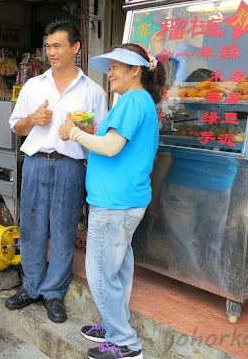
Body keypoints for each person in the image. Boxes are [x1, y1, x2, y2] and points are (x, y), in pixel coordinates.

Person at [59, 43, 166, 359]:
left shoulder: (133, 100)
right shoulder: (135, 101)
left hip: (115, 202)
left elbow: (110, 148)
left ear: (135, 70)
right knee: (118, 268)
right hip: (122, 199)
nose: (110, 73)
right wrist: (90, 130)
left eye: (117, 66)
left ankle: (127, 344)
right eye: (110, 67)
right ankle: (112, 323)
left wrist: (74, 134)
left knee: (101, 273)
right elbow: (109, 141)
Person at [6, 19, 108, 324]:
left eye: (58, 45)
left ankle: (53, 293)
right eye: (48, 46)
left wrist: (88, 129)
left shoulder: (93, 91)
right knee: (32, 227)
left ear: (75, 48)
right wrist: (33, 119)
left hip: (70, 166)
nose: (51, 52)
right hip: (36, 162)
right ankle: (32, 286)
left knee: (64, 230)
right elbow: (16, 125)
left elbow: (100, 135)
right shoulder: (33, 86)